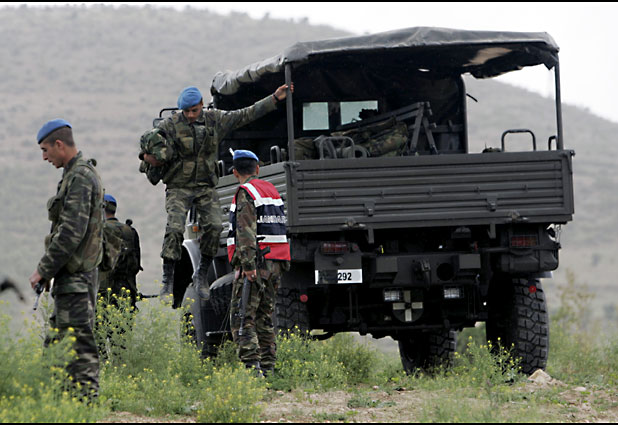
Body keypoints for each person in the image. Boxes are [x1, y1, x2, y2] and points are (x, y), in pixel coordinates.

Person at [142, 82, 293, 301]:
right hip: (179, 186)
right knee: (174, 229)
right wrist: (147, 157)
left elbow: (246, 114)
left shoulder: (215, 119)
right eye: (186, 111)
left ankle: (201, 274)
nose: (190, 115)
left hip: (205, 186)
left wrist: (274, 98)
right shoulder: (170, 125)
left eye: (194, 110)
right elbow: (150, 147)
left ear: (202, 105)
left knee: (214, 227)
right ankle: (168, 279)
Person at [29, 119, 103, 401]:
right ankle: (61, 406)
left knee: (79, 348)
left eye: (45, 150)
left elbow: (71, 233)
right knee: (57, 346)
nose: (44, 157)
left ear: (59, 144)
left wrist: (43, 269)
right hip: (70, 278)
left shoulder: (80, 177)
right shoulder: (73, 175)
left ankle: (86, 408)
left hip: (77, 279)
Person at [226, 149, 290, 376]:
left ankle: (252, 370)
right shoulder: (271, 190)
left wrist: (248, 266)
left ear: (235, 172)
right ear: (258, 169)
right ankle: (269, 368)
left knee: (242, 316)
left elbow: (245, 231)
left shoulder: (246, 192)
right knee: (265, 317)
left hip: (257, 264)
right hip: (276, 262)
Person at [98, 194, 142, 308]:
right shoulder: (130, 231)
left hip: (103, 293)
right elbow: (136, 264)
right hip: (127, 291)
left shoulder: (99, 229)